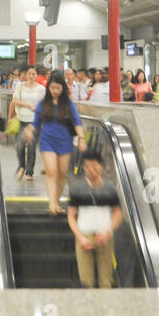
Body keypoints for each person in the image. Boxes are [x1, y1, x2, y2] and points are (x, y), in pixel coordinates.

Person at [68, 149, 124, 289]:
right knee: (86, 282)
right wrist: (80, 237)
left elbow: (118, 213)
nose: (90, 170)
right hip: (84, 236)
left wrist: (108, 230)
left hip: (105, 236)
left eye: (94, 166)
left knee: (106, 280)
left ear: (101, 166)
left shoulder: (110, 188)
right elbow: (71, 216)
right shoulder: (77, 188)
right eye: (87, 166)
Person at [34, 69, 82, 215]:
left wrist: (82, 138)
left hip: (65, 141)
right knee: (51, 171)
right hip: (47, 140)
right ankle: (52, 203)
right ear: (48, 88)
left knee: (61, 174)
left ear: (63, 88)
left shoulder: (68, 104)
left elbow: (77, 121)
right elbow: (36, 122)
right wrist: (29, 130)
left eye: (58, 88)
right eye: (52, 88)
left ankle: (57, 201)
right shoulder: (43, 104)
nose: (55, 91)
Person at [9, 65, 46, 181]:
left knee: (31, 147)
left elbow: (44, 105)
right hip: (21, 120)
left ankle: (29, 172)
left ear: (37, 75)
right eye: (29, 73)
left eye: (33, 74)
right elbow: (14, 101)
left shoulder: (41, 89)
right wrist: (28, 105)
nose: (30, 76)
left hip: (34, 122)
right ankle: (21, 166)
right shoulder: (20, 86)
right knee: (19, 146)